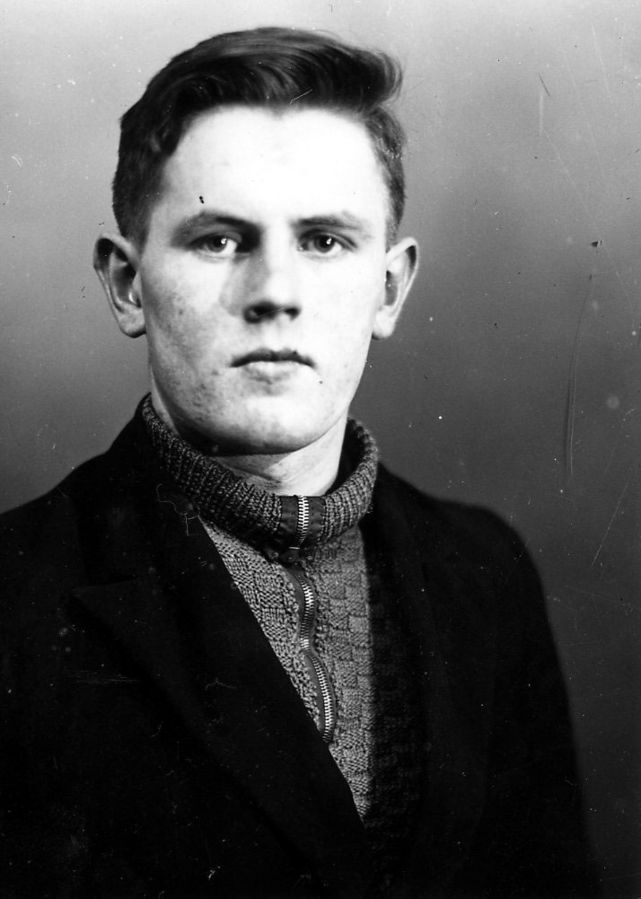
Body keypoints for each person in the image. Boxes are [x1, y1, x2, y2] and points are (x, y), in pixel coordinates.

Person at [0, 26, 597, 899]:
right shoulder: (15, 592)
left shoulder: (481, 569)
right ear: (127, 285)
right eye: (219, 240)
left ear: (389, 288)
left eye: (323, 240)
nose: (275, 293)